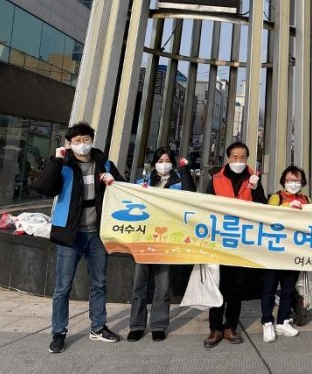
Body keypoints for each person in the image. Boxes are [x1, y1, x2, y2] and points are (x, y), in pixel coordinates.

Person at [34, 122, 126, 353]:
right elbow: (44, 187)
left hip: (97, 233)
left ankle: (98, 327)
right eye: (76, 141)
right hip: (70, 234)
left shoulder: (104, 164)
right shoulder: (63, 165)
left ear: (92, 140)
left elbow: (125, 190)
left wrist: (112, 182)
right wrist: (56, 160)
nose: (82, 145)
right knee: (63, 286)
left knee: (99, 283)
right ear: (69, 144)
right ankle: (58, 332)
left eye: (85, 140)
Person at [127, 148, 196, 343]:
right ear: (154, 162)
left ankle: (158, 325)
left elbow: (192, 195)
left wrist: (185, 170)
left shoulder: (179, 183)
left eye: (167, 160)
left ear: (172, 163)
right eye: (160, 160)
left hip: (166, 241)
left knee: (162, 286)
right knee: (139, 286)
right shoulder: (143, 183)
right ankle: (137, 325)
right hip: (144, 239)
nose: (163, 164)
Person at [203, 142, 267, 348]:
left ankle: (230, 326)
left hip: (242, 241)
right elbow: (205, 205)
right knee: (217, 285)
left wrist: (256, 190)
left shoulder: (254, 180)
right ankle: (215, 328)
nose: (239, 161)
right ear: (228, 158)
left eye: (242, 157)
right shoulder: (216, 179)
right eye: (235, 157)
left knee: (236, 287)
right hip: (219, 240)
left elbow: (262, 208)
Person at [260, 165, 310, 343]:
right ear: (283, 181)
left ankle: (282, 321)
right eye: (289, 180)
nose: (293, 183)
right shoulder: (276, 197)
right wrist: (288, 206)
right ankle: (267, 322)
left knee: (288, 288)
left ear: (302, 182)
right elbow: (270, 214)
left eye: (296, 180)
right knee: (269, 288)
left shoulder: (306, 199)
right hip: (275, 251)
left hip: (295, 252)